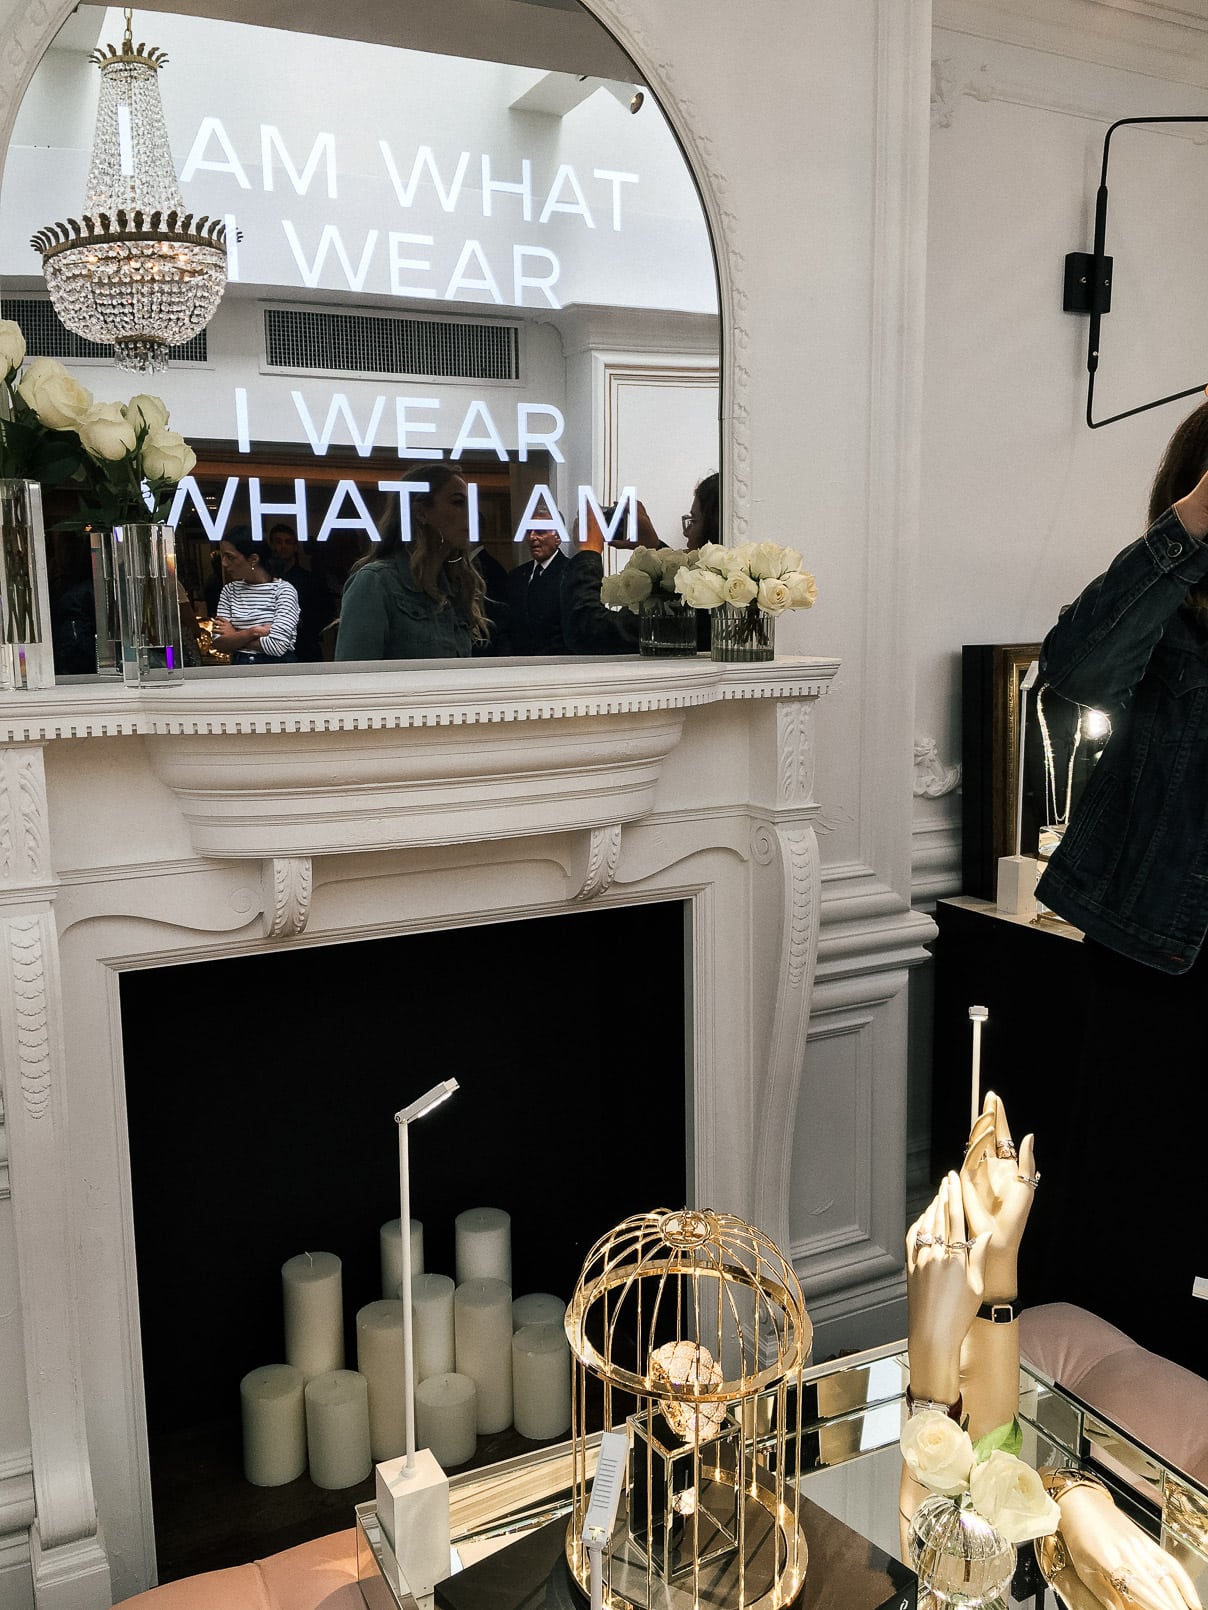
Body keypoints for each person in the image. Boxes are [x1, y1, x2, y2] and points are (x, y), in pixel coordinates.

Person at [1031, 401, 1208, 1373]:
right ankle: (1093, 1412)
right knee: (1124, 1207)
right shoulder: (1169, 604)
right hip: (1155, 951)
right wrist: (1187, 529)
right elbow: (1073, 668)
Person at [334, 464, 489, 660]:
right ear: (421, 513)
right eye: (458, 502)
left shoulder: (454, 587)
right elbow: (353, 680)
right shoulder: (376, 583)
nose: (471, 514)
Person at [561, 473, 719, 654]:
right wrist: (655, 547)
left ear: (713, 529)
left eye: (694, 521)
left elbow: (589, 632)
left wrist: (589, 551)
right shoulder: (721, 588)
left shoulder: (700, 600)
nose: (686, 533)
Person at [211, 526, 300, 664]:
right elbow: (219, 643)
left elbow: (278, 646)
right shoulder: (229, 591)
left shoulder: (283, 590)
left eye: (230, 557)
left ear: (253, 559)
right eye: (222, 556)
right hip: (241, 672)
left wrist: (235, 636)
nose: (223, 563)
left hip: (278, 672)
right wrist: (254, 632)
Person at [266, 522, 333, 663]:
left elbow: (326, 614)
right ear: (271, 545)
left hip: (305, 650)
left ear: (295, 547)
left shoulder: (311, 581)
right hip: (270, 652)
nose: (283, 546)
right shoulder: (263, 582)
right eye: (278, 542)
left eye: (288, 542)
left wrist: (303, 622)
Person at [505, 525, 568, 654]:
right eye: (529, 532)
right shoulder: (516, 576)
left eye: (540, 531)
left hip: (556, 665)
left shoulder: (572, 573)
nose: (532, 537)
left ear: (558, 537)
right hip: (517, 666)